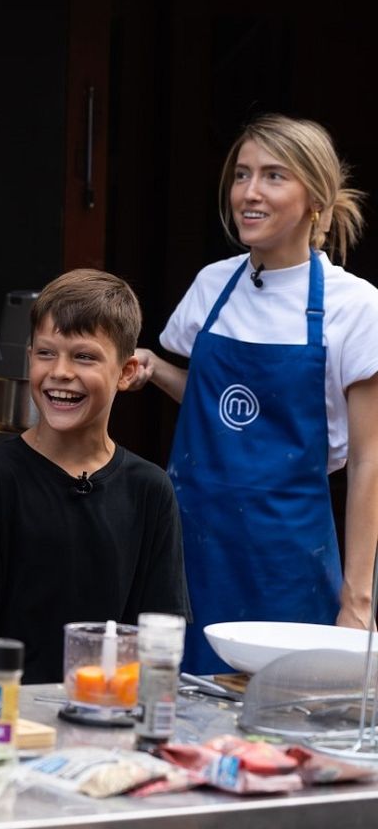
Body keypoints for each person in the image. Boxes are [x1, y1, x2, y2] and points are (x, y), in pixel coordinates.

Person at [131, 115, 378, 672]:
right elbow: (221, 405)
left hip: (287, 561)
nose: (249, 192)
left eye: (273, 176)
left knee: (282, 708)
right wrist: (156, 368)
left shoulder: (355, 306)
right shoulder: (213, 285)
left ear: (315, 198)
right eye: (242, 174)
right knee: (180, 703)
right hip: (192, 550)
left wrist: (358, 602)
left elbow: (370, 461)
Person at [0, 270, 190, 684]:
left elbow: (157, 636)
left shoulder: (150, 490)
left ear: (126, 371)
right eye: (46, 353)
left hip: (105, 708)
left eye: (84, 357)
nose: (61, 371)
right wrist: (0, 716)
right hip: (6, 712)